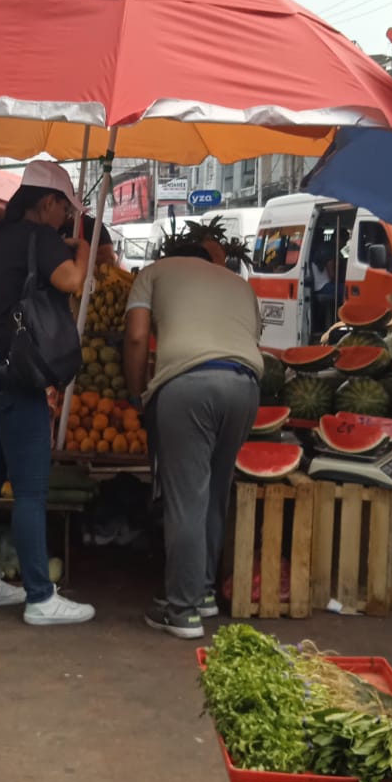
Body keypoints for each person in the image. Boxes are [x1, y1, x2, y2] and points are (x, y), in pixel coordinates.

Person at [0, 159, 95, 626]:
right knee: (31, 490)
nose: (66, 216)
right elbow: (72, 282)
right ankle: (40, 597)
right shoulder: (41, 238)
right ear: (48, 202)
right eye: (64, 207)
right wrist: (81, 250)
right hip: (14, 373)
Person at [123, 237, 263, 640]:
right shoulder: (238, 283)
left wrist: (137, 392)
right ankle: (202, 593)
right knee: (215, 492)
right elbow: (249, 339)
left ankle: (182, 611)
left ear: (171, 255)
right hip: (245, 384)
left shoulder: (153, 273)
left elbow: (135, 337)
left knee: (185, 498)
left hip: (187, 385)